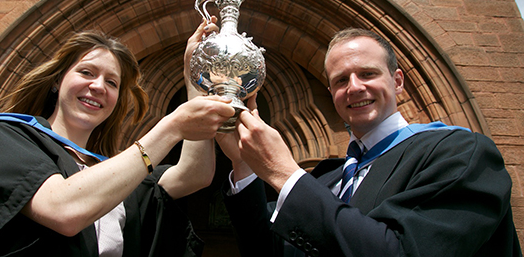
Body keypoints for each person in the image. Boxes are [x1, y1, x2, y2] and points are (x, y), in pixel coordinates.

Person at [0, 19, 234, 257]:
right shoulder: (0, 136)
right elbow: (62, 209)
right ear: (58, 81)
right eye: (87, 72)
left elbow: (195, 174)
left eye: (111, 83)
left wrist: (195, 79)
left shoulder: (114, 175)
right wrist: (169, 128)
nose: (99, 86)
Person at [218, 27, 522, 256]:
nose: (354, 87)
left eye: (367, 73)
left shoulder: (459, 154)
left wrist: (284, 173)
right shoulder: (328, 179)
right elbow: (268, 251)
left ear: (398, 81)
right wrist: (243, 164)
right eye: (340, 80)